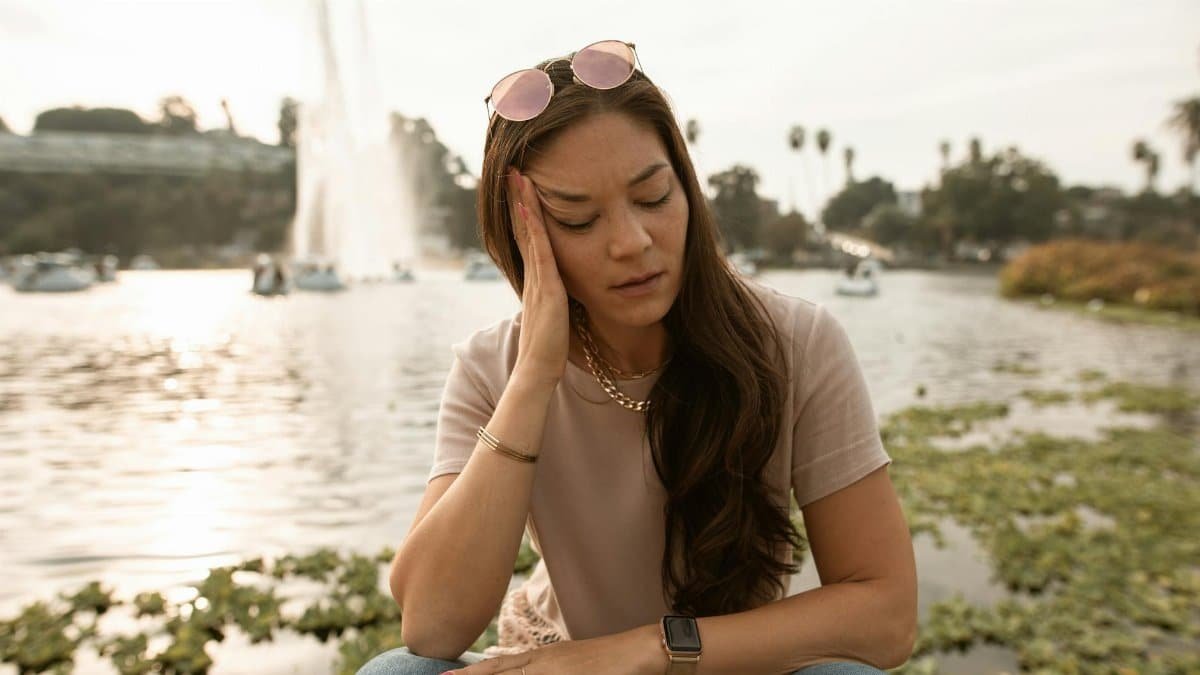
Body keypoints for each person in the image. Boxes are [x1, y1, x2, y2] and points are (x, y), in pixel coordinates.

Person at [361, 40, 916, 675]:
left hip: (724, 666)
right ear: (522, 236)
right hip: (555, 663)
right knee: (398, 673)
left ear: (685, 188)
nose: (631, 242)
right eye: (576, 220)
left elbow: (887, 615)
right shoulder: (493, 366)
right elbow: (432, 626)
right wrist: (536, 374)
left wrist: (647, 650)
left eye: (653, 198)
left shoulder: (796, 343)